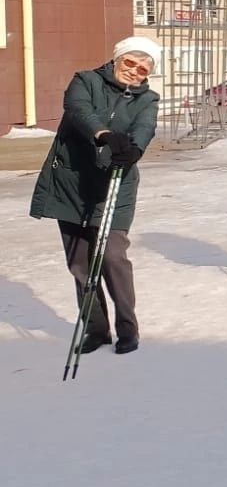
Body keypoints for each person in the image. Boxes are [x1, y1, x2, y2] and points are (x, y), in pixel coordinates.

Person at [29, 36, 162, 355]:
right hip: (71, 183)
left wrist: (133, 150)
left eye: (144, 68)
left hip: (115, 184)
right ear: (117, 59)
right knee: (80, 263)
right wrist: (104, 135)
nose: (135, 71)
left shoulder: (149, 99)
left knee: (113, 256)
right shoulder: (85, 81)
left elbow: (145, 127)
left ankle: (128, 327)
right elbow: (78, 111)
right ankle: (95, 328)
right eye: (130, 62)